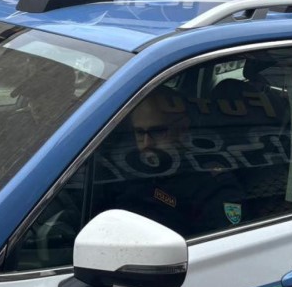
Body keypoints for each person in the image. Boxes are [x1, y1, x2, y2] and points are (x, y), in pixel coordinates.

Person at [103, 86, 246, 237]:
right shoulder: (125, 169)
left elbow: (222, 247)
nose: (146, 143)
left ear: (182, 128)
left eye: (157, 132)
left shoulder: (211, 186)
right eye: (139, 132)